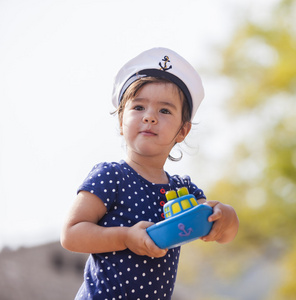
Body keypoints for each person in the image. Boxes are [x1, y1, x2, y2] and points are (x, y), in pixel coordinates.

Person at [60, 47, 239, 299]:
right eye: (139, 107)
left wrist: (226, 216)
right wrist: (125, 237)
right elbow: (71, 234)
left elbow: (219, 231)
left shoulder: (182, 189)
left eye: (164, 111)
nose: (150, 117)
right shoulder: (111, 176)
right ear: (121, 120)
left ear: (182, 131)